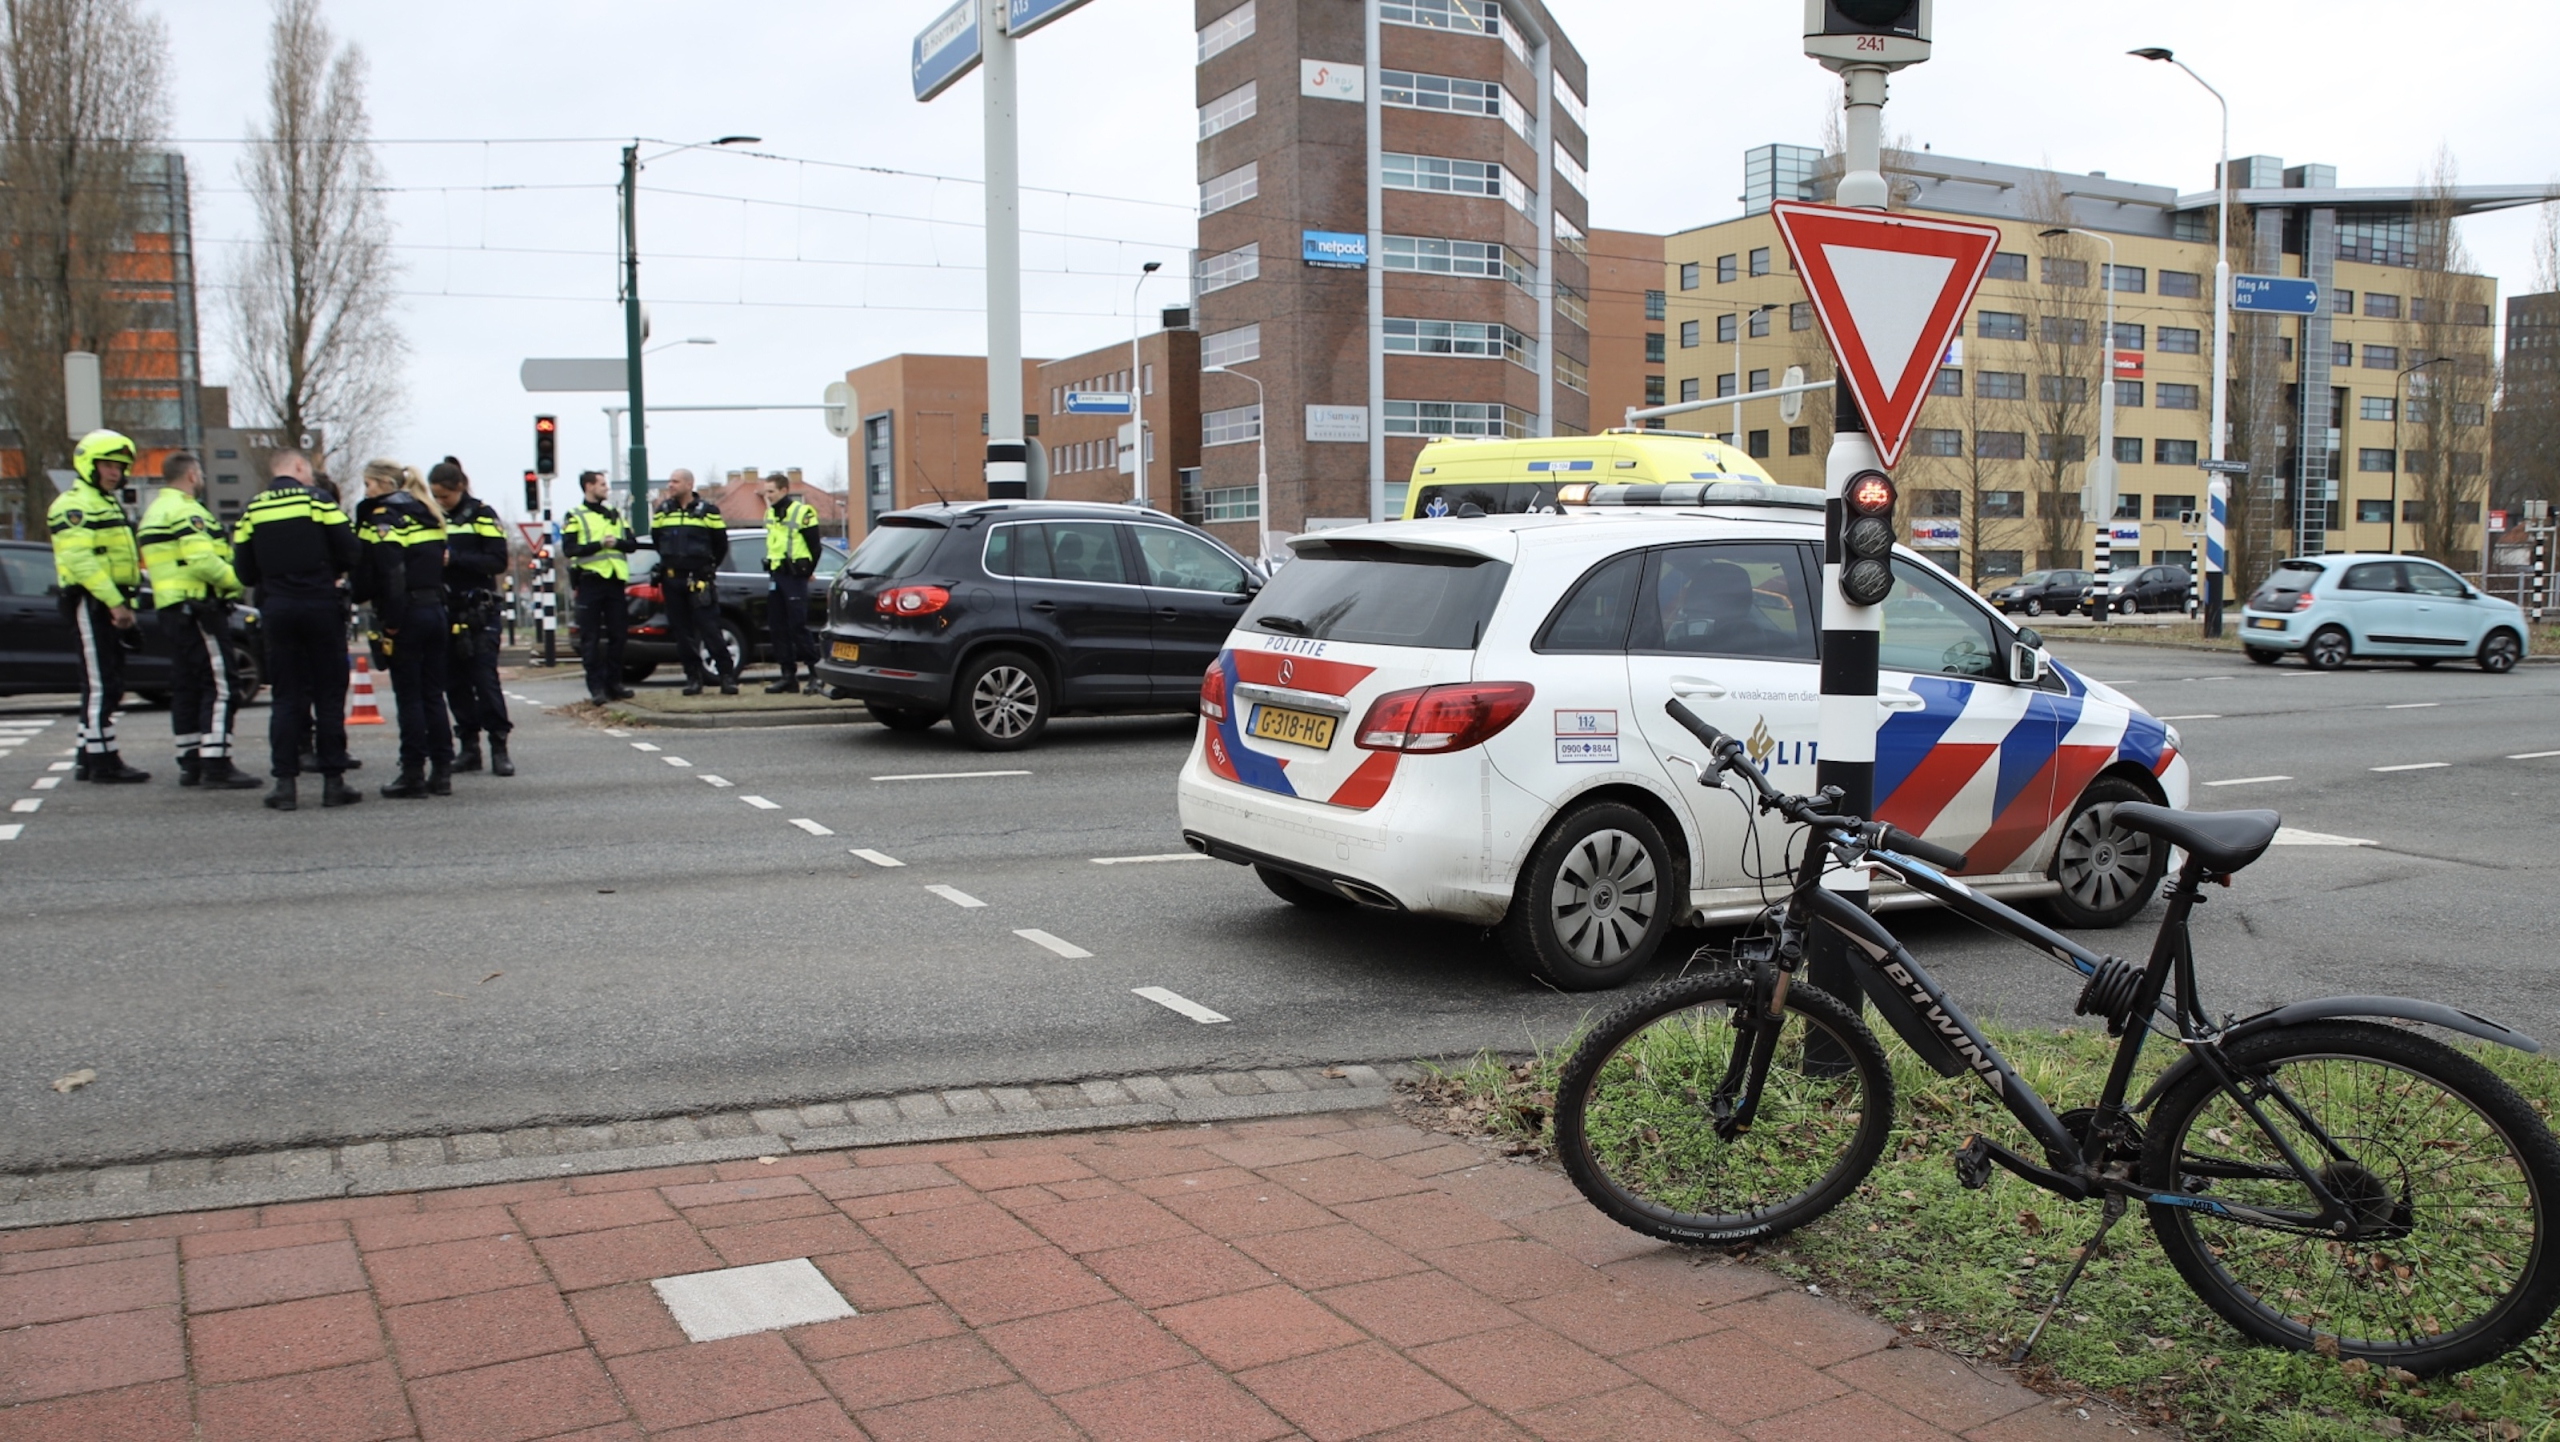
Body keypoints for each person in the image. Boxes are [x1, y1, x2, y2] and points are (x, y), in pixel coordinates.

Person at [233, 448, 362, 810]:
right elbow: (351, 549)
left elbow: (242, 571)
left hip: (278, 608)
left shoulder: (252, 509)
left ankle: (285, 785)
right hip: (321, 605)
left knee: (287, 698)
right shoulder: (318, 501)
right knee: (329, 695)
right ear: (299, 466)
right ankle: (334, 783)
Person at [138, 451, 258, 790]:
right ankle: (216, 762)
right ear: (192, 475)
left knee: (186, 686)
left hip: (172, 609)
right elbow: (203, 562)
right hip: (199, 608)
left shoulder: (155, 510)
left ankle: (191, 760)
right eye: (201, 473)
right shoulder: (187, 511)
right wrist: (238, 580)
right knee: (222, 686)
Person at [47, 430, 151, 782]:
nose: (115, 473)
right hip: (90, 601)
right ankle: (102, 761)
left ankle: (87, 755)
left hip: (105, 600)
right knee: (100, 684)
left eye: (120, 467)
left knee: (107, 680)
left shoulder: (106, 503)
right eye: (108, 465)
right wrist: (116, 604)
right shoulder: (74, 505)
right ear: (88, 465)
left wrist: (125, 603)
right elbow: (83, 563)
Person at [358, 460, 453, 798]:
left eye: (368, 485)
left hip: (408, 614)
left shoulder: (385, 516)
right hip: (436, 611)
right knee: (433, 695)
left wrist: (392, 622)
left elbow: (391, 573)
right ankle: (442, 771)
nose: (365, 492)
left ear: (384, 483)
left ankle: (412, 772)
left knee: (409, 696)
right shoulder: (429, 512)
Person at [427, 457, 515, 775]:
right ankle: (468, 747)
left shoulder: (481, 514)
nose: (440, 502)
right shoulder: (431, 517)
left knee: (484, 678)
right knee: (454, 682)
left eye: (445, 496)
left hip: (479, 610)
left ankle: (499, 746)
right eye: (435, 496)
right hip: (444, 608)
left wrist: (456, 559)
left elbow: (496, 560)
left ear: (460, 488)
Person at [650, 468, 738, 696]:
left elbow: (721, 543)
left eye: (675, 481)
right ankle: (693, 678)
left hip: (698, 580)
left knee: (710, 630)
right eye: (669, 481)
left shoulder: (708, 511)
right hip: (672, 580)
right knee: (682, 634)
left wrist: (709, 568)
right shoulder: (663, 512)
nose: (670, 485)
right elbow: (657, 540)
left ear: (689, 485)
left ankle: (726, 676)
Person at [563, 469, 637, 703]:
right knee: (590, 637)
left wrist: (617, 542)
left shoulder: (615, 514)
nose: (606, 488)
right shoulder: (575, 515)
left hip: (615, 582)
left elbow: (631, 544)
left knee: (618, 635)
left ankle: (614, 683)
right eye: (602, 484)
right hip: (590, 582)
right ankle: (596, 687)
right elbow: (570, 549)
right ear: (588, 486)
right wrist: (599, 545)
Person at [761, 473, 822, 694]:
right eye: (765, 492)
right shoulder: (770, 514)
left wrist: (808, 571)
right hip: (777, 576)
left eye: (771, 492)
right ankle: (788, 676)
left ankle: (815, 674)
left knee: (798, 626)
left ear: (784, 491)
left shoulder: (802, 512)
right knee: (777, 627)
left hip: (795, 576)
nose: (767, 496)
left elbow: (815, 546)